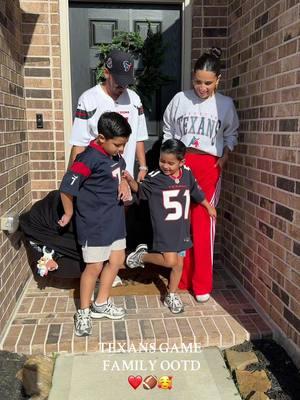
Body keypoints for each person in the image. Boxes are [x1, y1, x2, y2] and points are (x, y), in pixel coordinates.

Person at [163, 47, 239, 303]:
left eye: (208, 82)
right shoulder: (180, 100)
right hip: (182, 164)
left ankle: (202, 282)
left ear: (218, 79)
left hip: (208, 166)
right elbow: (168, 130)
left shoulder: (225, 104)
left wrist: (226, 154)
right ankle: (181, 277)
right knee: (180, 221)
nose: (202, 87)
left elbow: (231, 133)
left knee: (202, 220)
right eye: (197, 81)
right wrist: (171, 161)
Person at [58, 112, 131, 336]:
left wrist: (123, 183)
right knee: (94, 267)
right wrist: (69, 213)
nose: (121, 149)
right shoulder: (87, 158)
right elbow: (66, 187)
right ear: (101, 138)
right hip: (94, 223)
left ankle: (101, 303)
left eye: (124, 145)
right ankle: (84, 311)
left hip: (115, 218)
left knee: (117, 260)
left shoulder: (115, 156)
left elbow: (119, 172)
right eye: (118, 144)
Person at [124, 139, 216, 314]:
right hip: (164, 228)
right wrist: (130, 180)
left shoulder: (187, 174)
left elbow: (196, 191)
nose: (165, 166)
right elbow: (140, 191)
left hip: (181, 228)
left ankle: (171, 294)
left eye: (170, 163)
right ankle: (142, 256)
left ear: (182, 162)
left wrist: (208, 205)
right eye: (162, 161)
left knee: (178, 265)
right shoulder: (155, 178)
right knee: (170, 260)